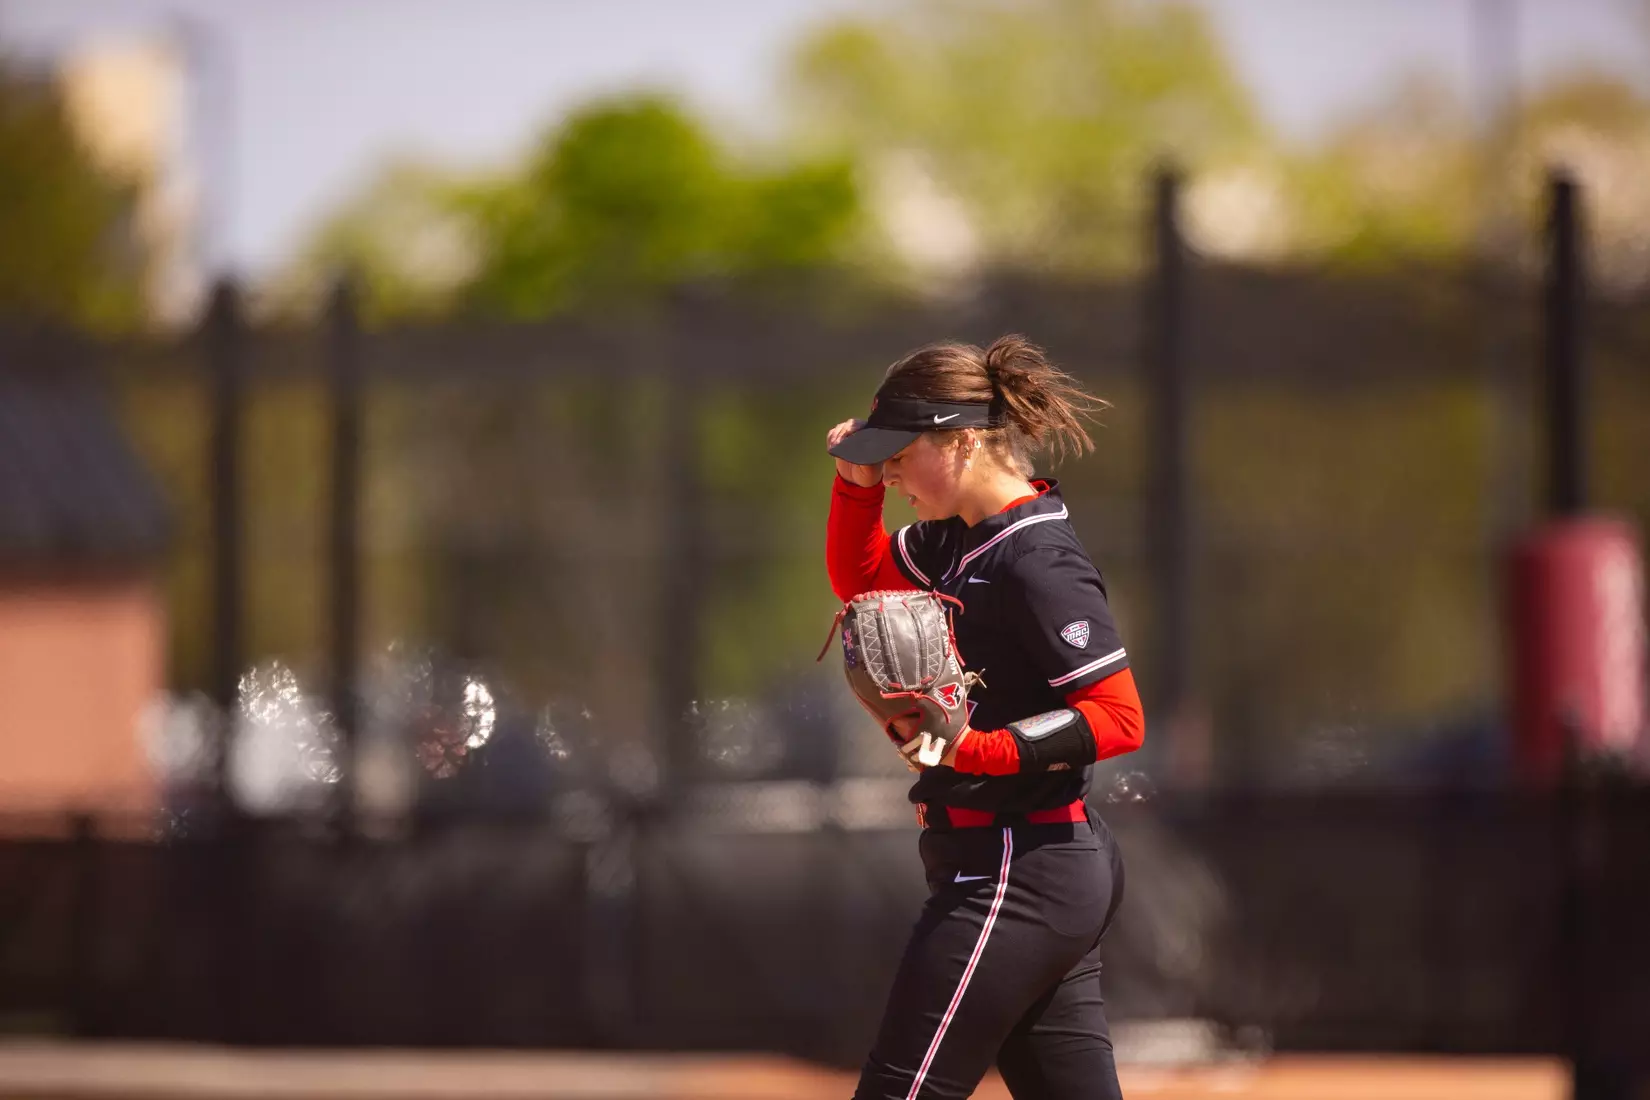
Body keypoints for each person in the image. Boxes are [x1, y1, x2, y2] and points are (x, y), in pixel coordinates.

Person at [825, 335, 1145, 1100]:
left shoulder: (1036, 559)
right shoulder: (958, 540)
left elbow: (1118, 716)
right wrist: (855, 483)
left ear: (964, 440)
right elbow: (861, 578)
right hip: (1025, 861)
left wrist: (975, 750)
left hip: (1016, 866)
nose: (893, 471)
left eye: (901, 453)